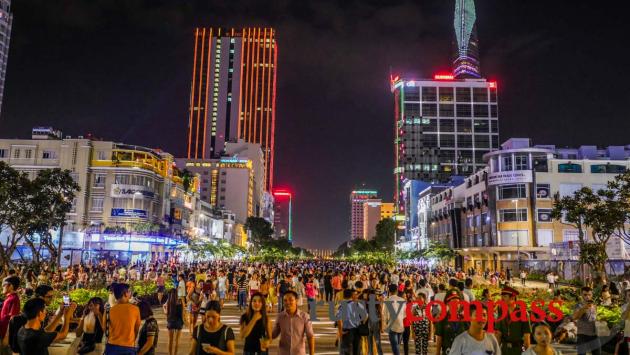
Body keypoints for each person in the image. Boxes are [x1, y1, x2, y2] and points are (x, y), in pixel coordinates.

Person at [272, 290, 315, 355]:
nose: (287, 302)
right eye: (285, 300)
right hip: (283, 352)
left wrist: (312, 354)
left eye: (291, 300)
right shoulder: (280, 317)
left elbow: (310, 336)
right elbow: (274, 334)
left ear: (296, 301)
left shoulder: (305, 317)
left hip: (299, 353)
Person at [105, 283, 141, 355]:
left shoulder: (108, 310)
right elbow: (136, 329)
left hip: (111, 346)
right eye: (129, 291)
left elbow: (105, 329)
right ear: (125, 294)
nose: (130, 293)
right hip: (128, 347)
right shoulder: (135, 309)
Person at [495, 286, 531, 355]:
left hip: (518, 350)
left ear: (512, 298)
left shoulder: (523, 313)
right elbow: (498, 334)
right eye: (501, 296)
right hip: (504, 350)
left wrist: (527, 352)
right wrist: (495, 351)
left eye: (505, 296)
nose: (501, 299)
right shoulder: (501, 311)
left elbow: (527, 337)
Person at [435, 291, 468, 355]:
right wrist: (437, 353)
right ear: (448, 303)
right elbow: (439, 338)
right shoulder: (442, 319)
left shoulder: (464, 319)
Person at [572, 286, 600, 355]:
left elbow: (596, 317)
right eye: (585, 295)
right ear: (581, 295)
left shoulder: (595, 306)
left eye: (589, 295)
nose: (587, 297)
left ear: (592, 295)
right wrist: (583, 308)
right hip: (582, 335)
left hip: (594, 334)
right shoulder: (578, 305)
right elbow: (575, 317)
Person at [383, 284, 406, 355]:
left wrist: (385, 324)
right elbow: (405, 314)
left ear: (389, 291)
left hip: (391, 325)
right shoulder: (402, 300)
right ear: (397, 291)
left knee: (395, 347)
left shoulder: (387, 300)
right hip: (401, 325)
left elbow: (385, 315)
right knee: (397, 345)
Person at [164, 288, 184, 355]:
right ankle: (175, 353)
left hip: (171, 322)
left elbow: (166, 313)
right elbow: (183, 312)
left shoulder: (168, 302)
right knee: (177, 341)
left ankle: (170, 354)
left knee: (170, 340)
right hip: (179, 322)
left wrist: (164, 308)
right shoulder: (180, 301)